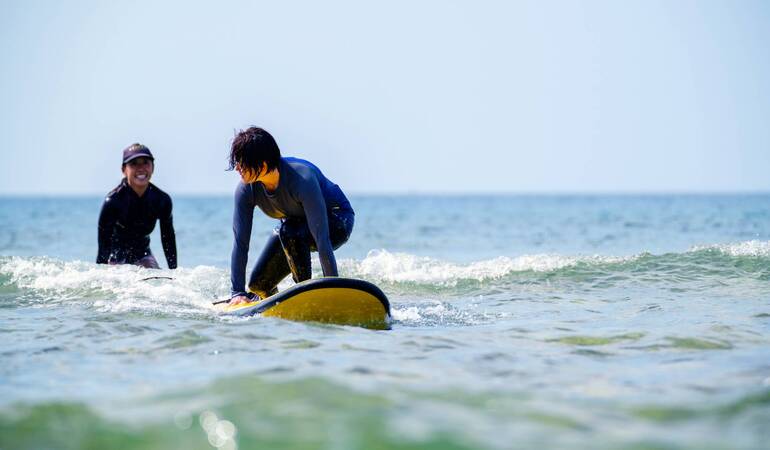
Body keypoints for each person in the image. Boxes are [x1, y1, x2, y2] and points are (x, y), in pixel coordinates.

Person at [228, 127, 354, 305]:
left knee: (290, 231)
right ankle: (279, 305)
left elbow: (322, 239)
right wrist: (237, 293)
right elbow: (240, 242)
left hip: (337, 219)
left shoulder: (302, 178)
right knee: (258, 285)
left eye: (242, 163)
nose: (237, 168)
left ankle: (306, 294)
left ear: (263, 165)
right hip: (294, 228)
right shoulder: (246, 190)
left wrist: (332, 293)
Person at [96, 143, 177, 269]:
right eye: (134, 163)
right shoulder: (113, 201)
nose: (141, 168)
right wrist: (102, 274)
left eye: (145, 162)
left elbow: (168, 239)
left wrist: (174, 272)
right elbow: (103, 249)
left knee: (154, 273)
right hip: (115, 259)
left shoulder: (161, 200)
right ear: (124, 170)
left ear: (153, 168)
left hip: (144, 256)